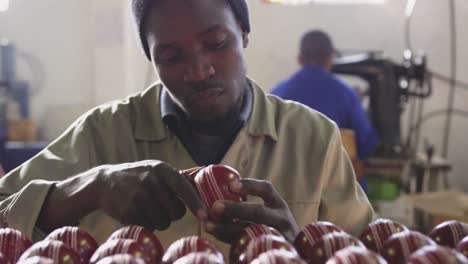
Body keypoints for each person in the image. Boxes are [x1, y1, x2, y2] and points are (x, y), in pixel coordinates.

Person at [0, 0, 373, 252]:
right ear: (152, 59)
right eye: (171, 56)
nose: (198, 70)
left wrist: (295, 246)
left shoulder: (314, 140)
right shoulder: (102, 135)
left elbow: (365, 251)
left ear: (244, 33)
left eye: (216, 43)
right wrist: (89, 189)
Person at [271, 30, 379, 160]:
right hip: (334, 177)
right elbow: (365, 144)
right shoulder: (347, 94)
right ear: (330, 60)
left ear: (299, 59)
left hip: (287, 177)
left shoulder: (277, 93)